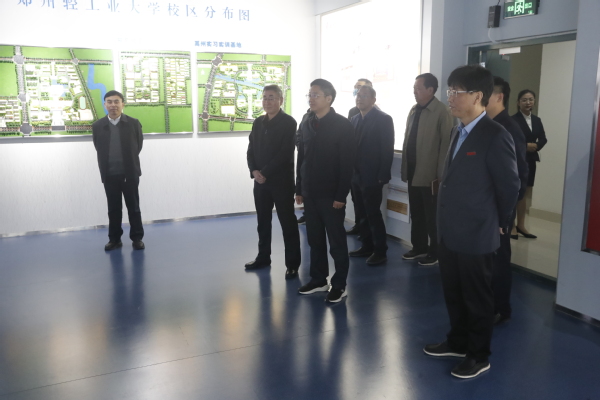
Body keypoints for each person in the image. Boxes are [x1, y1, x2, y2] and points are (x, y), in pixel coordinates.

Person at [423, 65, 519, 379]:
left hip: (477, 233)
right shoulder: (458, 130)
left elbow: (509, 186)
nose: (450, 97)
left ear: (478, 96)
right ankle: (457, 341)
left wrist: (502, 222)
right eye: (449, 90)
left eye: (456, 92)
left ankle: (479, 356)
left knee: (477, 298)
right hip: (450, 231)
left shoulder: (495, 135)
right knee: (453, 292)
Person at [295, 79, 355, 303]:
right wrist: (299, 187)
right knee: (315, 240)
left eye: (316, 95)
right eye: (309, 95)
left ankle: (339, 285)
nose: (311, 99)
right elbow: (301, 157)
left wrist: (341, 195)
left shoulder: (342, 125)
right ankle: (319, 279)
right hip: (310, 193)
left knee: (336, 242)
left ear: (328, 98)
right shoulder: (307, 122)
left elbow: (347, 163)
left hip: (331, 195)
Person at [246, 85, 301, 279]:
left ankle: (292, 264)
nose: (267, 102)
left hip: (281, 182)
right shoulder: (258, 122)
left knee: (288, 223)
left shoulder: (289, 122)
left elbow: (285, 153)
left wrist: (265, 172)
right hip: (260, 183)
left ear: (280, 100)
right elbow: (251, 149)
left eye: (271, 98)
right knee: (263, 222)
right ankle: (263, 257)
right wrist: (254, 171)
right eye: (264, 98)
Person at [486, 77, 529, 325]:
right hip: (486, 205)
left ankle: (501, 308)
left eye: (486, 92)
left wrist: (507, 211)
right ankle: (487, 304)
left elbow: (519, 173)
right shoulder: (485, 125)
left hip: (500, 207)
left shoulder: (509, 128)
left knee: (499, 256)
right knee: (486, 257)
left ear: (499, 96)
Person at [400, 73, 454, 266]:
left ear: (430, 90)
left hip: (430, 176)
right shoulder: (414, 110)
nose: (414, 92)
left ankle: (435, 252)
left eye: (418, 88)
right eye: (414, 88)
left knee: (432, 217)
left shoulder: (442, 112)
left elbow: (446, 147)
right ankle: (419, 247)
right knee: (416, 213)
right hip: (413, 172)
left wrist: (440, 176)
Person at [348, 85, 395, 265]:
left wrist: (383, 174)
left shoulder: (383, 119)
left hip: (373, 175)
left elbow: (387, 149)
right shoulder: (354, 119)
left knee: (373, 214)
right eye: (358, 95)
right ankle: (366, 246)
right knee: (361, 213)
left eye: (364, 95)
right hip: (356, 175)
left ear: (374, 99)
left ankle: (380, 251)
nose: (359, 98)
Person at [92, 90, 145, 251]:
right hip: (109, 174)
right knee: (113, 209)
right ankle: (114, 239)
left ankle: (137, 238)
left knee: (133, 208)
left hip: (130, 174)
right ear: (105, 104)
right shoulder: (98, 126)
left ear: (123, 104)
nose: (113, 105)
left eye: (116, 101)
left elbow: (138, 146)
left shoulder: (133, 123)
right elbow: (98, 147)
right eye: (109, 102)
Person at [511, 89, 547, 239]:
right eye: (524, 100)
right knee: (515, 192)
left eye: (531, 99)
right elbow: (509, 140)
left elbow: (543, 138)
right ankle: (511, 226)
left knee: (525, 192)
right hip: (517, 159)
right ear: (518, 102)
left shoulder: (537, 120)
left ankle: (521, 225)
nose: (528, 102)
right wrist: (525, 146)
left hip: (531, 159)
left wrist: (536, 146)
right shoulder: (513, 120)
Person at [346, 78, 374, 235]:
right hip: (355, 170)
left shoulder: (380, 116)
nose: (359, 95)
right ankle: (360, 229)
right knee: (357, 202)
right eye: (357, 90)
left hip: (370, 172)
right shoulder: (353, 113)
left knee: (370, 208)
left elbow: (384, 147)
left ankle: (373, 240)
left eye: (363, 91)